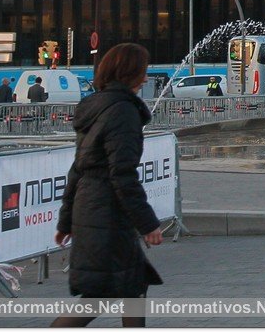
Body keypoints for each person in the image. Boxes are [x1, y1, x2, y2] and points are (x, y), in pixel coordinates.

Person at [52, 43, 163, 327]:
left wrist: (66, 221)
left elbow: (78, 168)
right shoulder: (123, 112)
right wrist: (148, 223)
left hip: (91, 209)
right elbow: (122, 174)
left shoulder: (97, 106)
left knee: (132, 283)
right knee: (102, 293)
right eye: (143, 72)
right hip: (108, 213)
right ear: (129, 73)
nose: (146, 78)